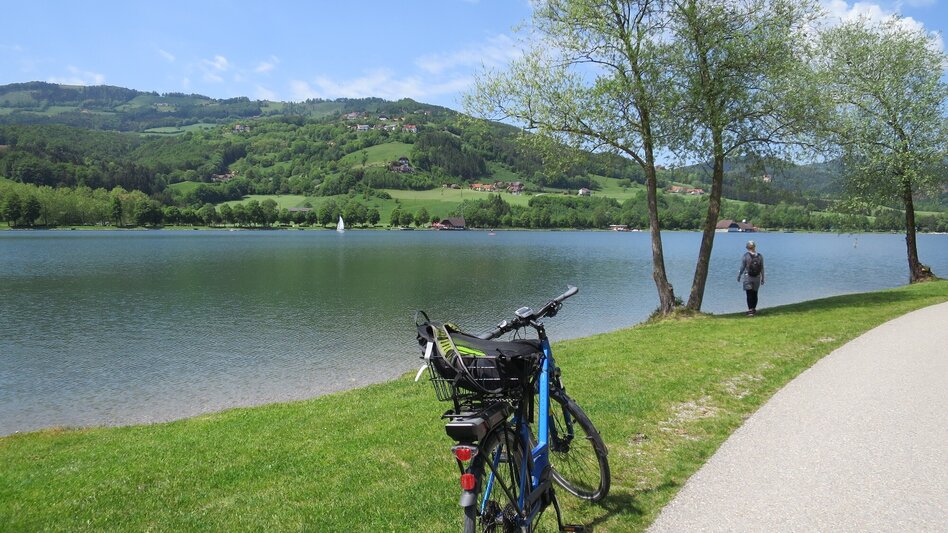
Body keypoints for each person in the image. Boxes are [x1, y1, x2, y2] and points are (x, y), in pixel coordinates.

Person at [737, 240, 765, 316]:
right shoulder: (760, 256)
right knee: (755, 294)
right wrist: (763, 278)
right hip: (757, 277)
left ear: (747, 247)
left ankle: (750, 310)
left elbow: (742, 267)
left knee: (749, 294)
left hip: (748, 277)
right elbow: (762, 268)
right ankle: (753, 309)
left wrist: (739, 275)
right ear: (754, 247)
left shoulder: (745, 256)